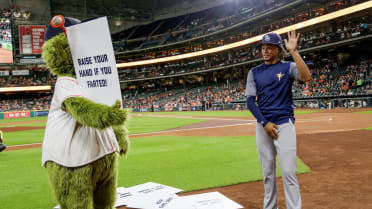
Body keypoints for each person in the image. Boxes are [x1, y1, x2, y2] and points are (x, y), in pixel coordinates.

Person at [245, 30, 311, 209]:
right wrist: (264, 122)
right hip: (263, 126)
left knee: (289, 172)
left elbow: (306, 77)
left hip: (284, 124)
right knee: (268, 173)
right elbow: (250, 101)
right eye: (263, 48)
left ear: (278, 49)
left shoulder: (287, 67)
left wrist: (294, 52)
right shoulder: (254, 72)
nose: (265, 51)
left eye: (269, 47)